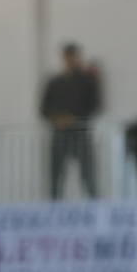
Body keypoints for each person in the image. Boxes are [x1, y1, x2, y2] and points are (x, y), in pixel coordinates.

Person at [40, 43, 101, 200]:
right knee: (56, 174)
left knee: (88, 174)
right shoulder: (55, 82)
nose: (70, 60)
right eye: (67, 56)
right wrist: (57, 119)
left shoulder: (87, 81)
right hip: (59, 132)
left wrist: (75, 118)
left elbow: (94, 105)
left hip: (80, 131)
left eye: (72, 56)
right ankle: (54, 207)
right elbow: (44, 108)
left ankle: (94, 205)